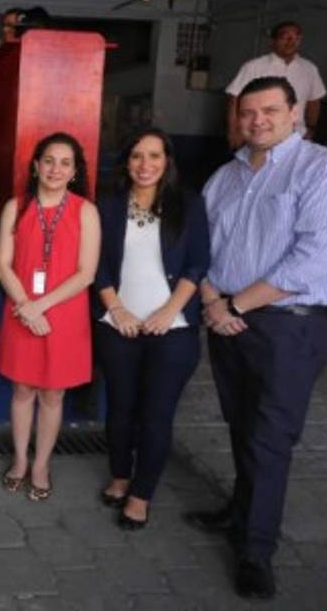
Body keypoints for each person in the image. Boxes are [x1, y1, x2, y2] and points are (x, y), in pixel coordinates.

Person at [187, 76, 327, 600]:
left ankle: (256, 550)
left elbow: (315, 259)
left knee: (269, 437)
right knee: (241, 423)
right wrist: (212, 300)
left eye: (270, 110)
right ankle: (240, 509)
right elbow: (199, 245)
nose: (258, 121)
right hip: (225, 318)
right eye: (248, 112)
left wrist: (234, 305)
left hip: (287, 326)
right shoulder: (225, 177)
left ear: (296, 113)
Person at [93, 128, 210, 530]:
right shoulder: (108, 205)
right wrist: (117, 309)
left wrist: (169, 311)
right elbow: (95, 264)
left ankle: (141, 495)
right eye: (137, 156)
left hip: (172, 330)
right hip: (117, 325)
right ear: (126, 161)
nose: (146, 165)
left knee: (156, 415)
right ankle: (120, 476)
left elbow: (198, 263)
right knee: (120, 409)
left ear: (167, 161)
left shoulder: (189, 204)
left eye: (155, 156)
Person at [0, 133, 99, 502]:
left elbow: (86, 274)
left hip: (64, 315)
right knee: (22, 389)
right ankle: (20, 459)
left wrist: (40, 306)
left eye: (65, 163)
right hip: (20, 309)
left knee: (53, 394)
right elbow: (3, 264)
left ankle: (41, 464)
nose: (56, 169)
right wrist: (26, 304)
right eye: (49, 161)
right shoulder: (16, 207)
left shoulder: (85, 211)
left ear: (75, 171)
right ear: (36, 166)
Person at [225, 21, 326, 148]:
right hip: (260, 134)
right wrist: (234, 131)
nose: (290, 41)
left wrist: (311, 128)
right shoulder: (254, 66)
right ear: (272, 42)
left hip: (297, 136)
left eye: (296, 37)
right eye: (285, 37)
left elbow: (314, 101)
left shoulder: (309, 69)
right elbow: (235, 99)